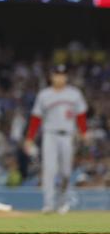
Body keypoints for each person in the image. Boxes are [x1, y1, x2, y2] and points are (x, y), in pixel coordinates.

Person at [23, 65, 88, 214]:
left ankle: (63, 201)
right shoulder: (44, 95)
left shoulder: (74, 94)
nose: (60, 77)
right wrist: (29, 138)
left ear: (66, 77)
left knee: (66, 172)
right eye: (57, 74)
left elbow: (81, 115)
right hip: (50, 135)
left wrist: (84, 132)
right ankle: (48, 204)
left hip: (68, 136)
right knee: (49, 170)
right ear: (52, 76)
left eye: (62, 74)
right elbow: (36, 118)